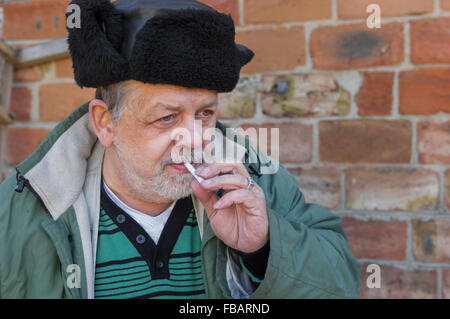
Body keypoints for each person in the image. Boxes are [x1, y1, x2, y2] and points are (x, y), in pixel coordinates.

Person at [0, 0, 360, 299]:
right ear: (106, 123)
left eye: (205, 113)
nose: (195, 138)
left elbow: (341, 286)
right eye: (168, 118)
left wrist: (264, 248)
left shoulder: (254, 181)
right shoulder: (26, 209)